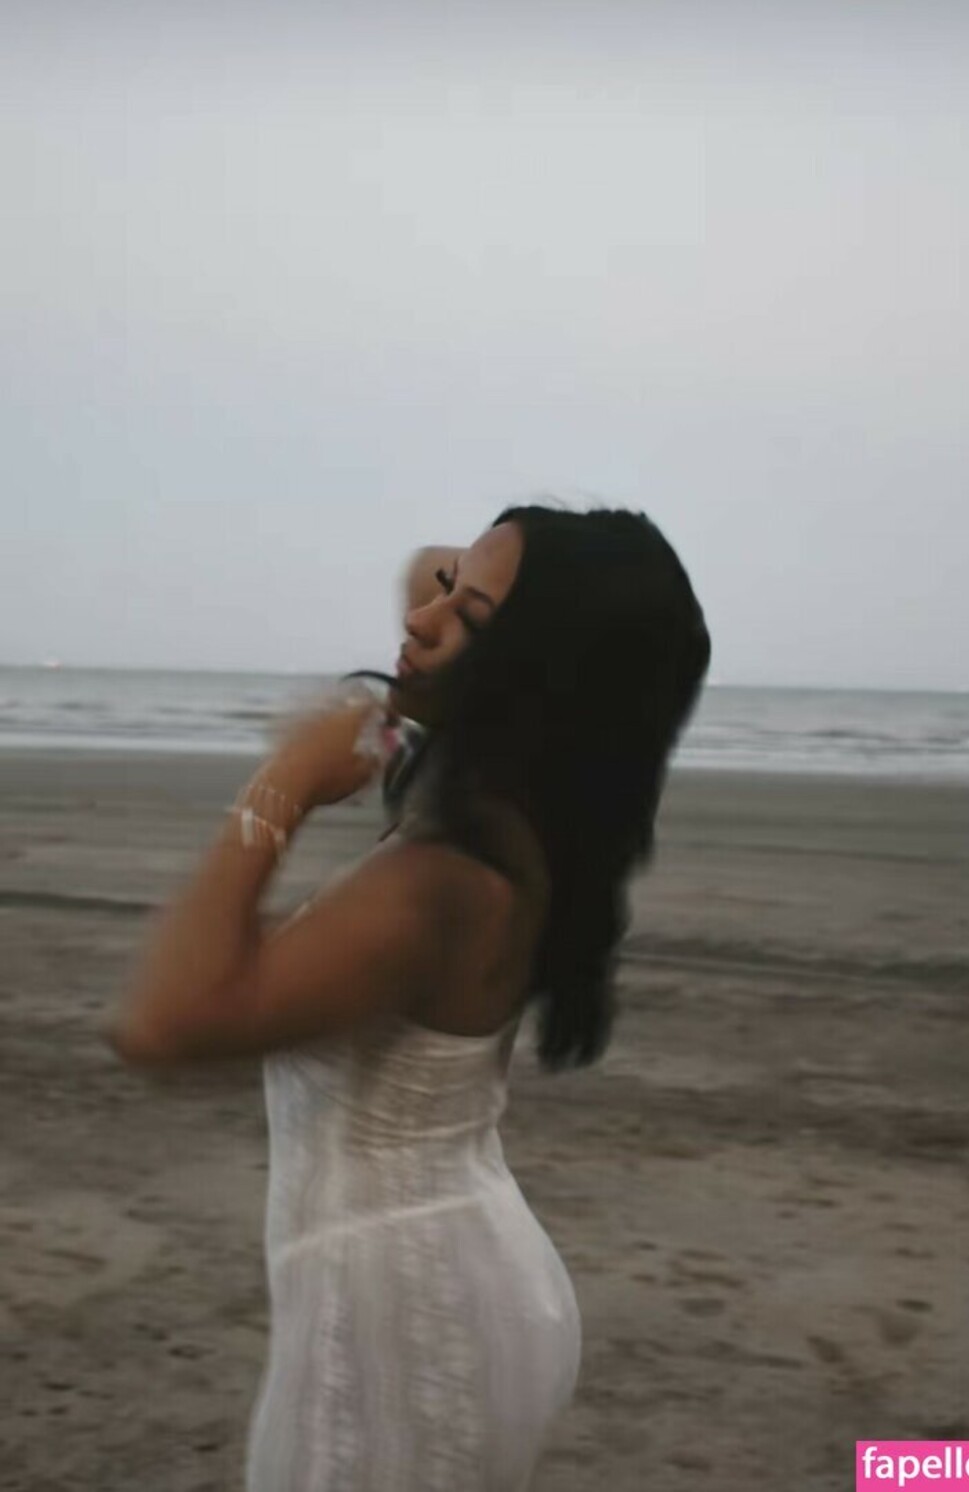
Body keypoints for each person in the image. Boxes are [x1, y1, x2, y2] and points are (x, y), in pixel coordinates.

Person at [106, 503, 711, 1491]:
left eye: (465, 614)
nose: (420, 616)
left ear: (536, 671)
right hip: (455, 1258)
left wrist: (285, 783)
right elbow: (435, 570)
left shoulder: (440, 881)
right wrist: (489, 585)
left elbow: (163, 1019)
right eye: (449, 591)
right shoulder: (524, 808)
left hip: (398, 1313)